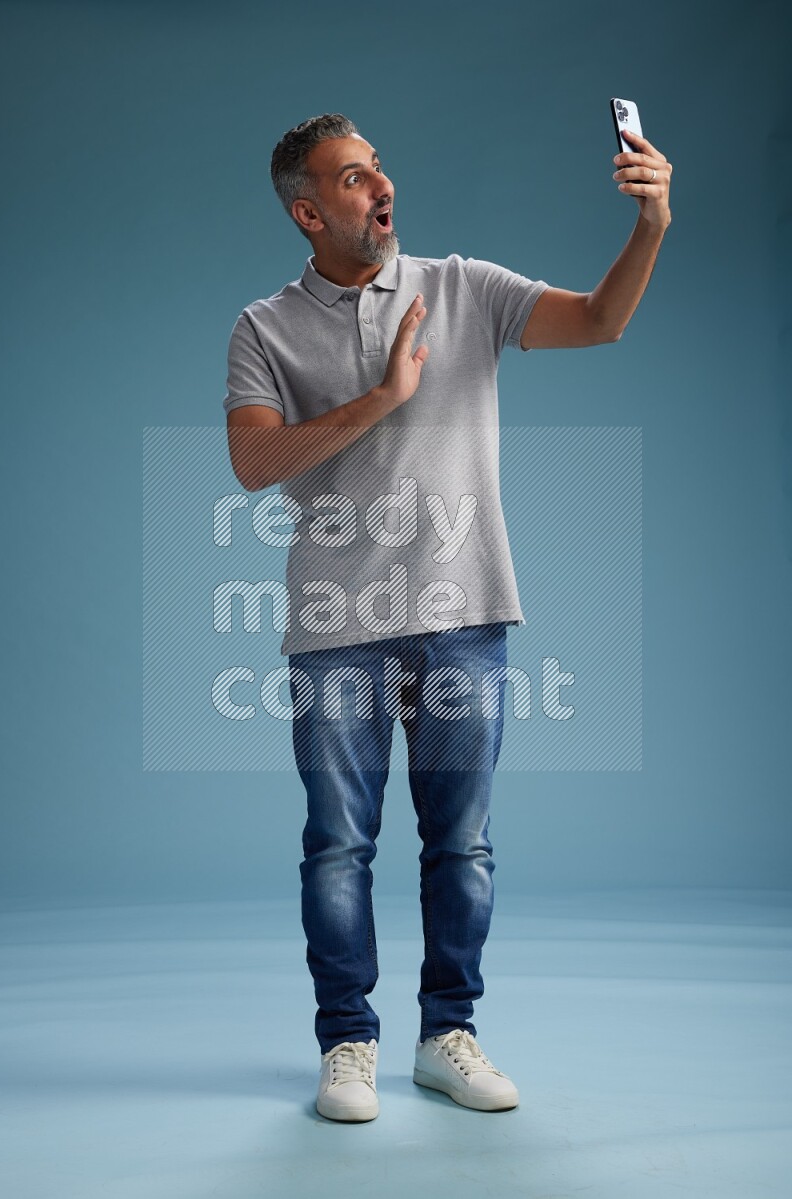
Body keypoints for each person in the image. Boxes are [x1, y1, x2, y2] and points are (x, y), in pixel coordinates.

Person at [223, 113, 672, 1122]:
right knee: (337, 844)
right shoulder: (263, 327)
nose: (378, 182)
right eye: (350, 175)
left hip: (464, 610)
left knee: (459, 844)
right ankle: (347, 1042)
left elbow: (600, 319)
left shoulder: (462, 287)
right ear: (307, 211)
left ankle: (445, 1034)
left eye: (378, 164)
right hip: (335, 622)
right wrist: (385, 395)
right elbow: (252, 463)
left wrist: (650, 223)